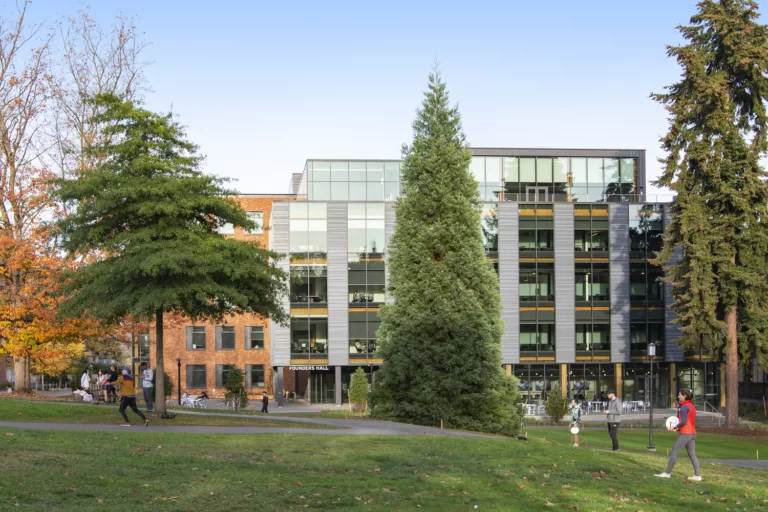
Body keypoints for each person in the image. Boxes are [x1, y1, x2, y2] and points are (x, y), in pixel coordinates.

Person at [655, 389, 701, 481]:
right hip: (692, 433)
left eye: (680, 395)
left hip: (686, 433)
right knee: (692, 454)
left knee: (674, 452)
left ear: (684, 396)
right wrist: (677, 428)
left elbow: (684, 421)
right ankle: (697, 476)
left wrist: (675, 426)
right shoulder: (691, 406)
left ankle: (667, 473)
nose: (678, 396)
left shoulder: (684, 407)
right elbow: (688, 421)